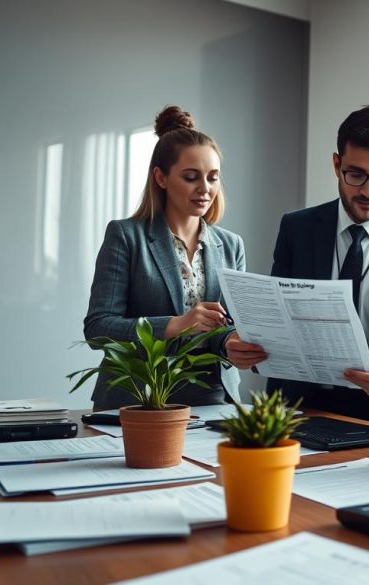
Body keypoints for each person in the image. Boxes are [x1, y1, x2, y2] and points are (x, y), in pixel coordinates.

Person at [231, 104, 369, 432]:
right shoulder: (297, 229)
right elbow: (277, 317)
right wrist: (247, 344)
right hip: (299, 409)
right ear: (337, 165)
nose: (368, 191)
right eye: (356, 175)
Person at [84, 105, 266, 411]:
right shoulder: (126, 236)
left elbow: (228, 327)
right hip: (138, 402)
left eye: (213, 178)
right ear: (161, 177)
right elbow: (99, 329)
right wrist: (176, 324)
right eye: (191, 177)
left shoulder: (231, 245)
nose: (205, 189)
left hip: (213, 400)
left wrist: (232, 344)